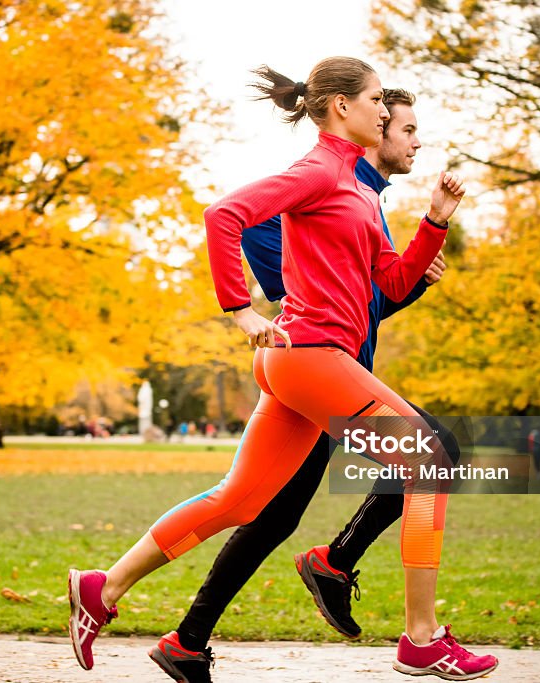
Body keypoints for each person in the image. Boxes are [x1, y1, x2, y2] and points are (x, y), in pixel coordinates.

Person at [68, 57, 497, 680]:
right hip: (310, 355)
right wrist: (240, 310)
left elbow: (392, 280)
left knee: (240, 501)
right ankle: (422, 637)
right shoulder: (318, 169)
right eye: (378, 99)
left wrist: (433, 223)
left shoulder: (356, 187)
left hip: (304, 363)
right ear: (341, 106)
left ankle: (102, 589)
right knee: (428, 459)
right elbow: (225, 216)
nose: (385, 111)